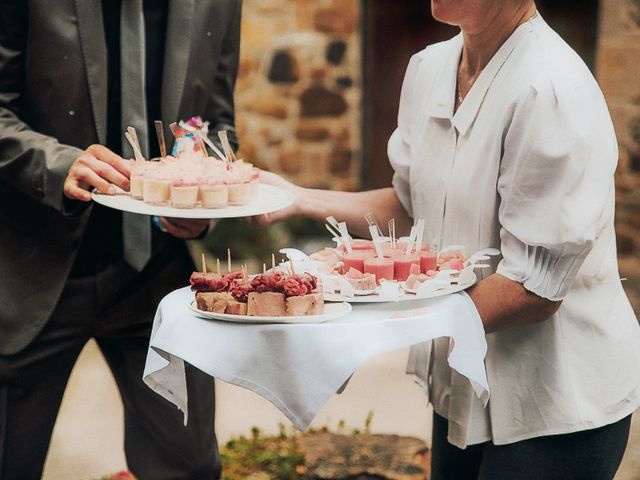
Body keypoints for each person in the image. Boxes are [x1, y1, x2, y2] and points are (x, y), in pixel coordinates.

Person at [256, 1, 640, 478]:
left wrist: (364, 327)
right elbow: (410, 206)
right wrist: (297, 198)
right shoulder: (429, 68)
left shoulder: (552, 88)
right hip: (464, 388)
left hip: (554, 403)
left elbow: (533, 291)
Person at [0, 1, 241, 478]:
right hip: (29, 271)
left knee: (190, 466)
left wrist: (202, 199)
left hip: (157, 274)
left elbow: (215, 126)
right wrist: (55, 163)